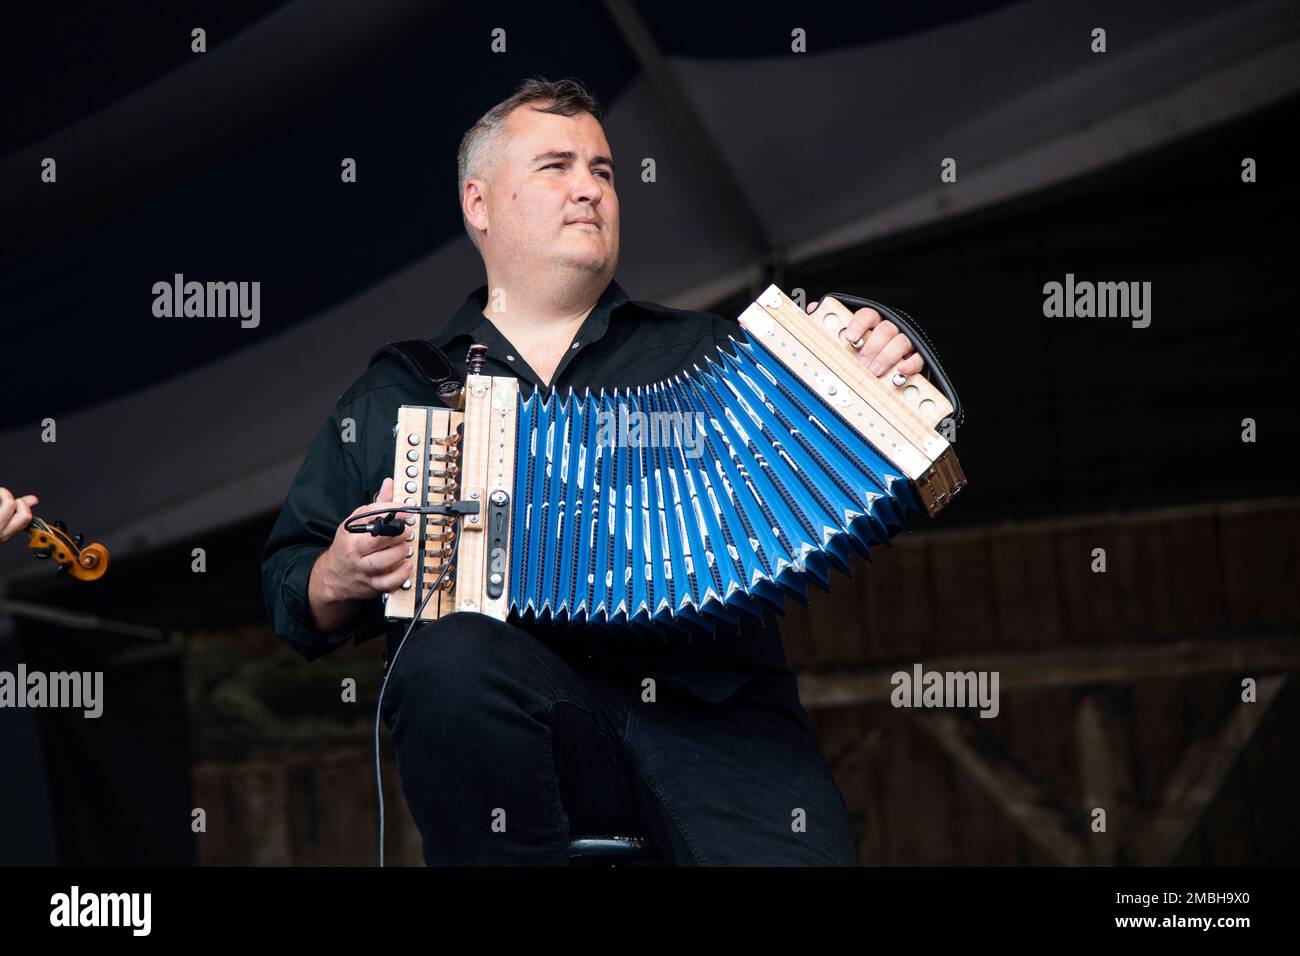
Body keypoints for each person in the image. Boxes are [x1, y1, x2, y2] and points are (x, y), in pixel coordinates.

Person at [261, 77, 926, 866]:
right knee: (447, 655)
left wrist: (885, 360)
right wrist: (335, 574)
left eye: (603, 171)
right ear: (479, 205)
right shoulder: (399, 393)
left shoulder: (708, 357)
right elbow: (288, 579)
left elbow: (875, 468)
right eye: (555, 167)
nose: (589, 189)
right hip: (527, 737)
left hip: (717, 730)